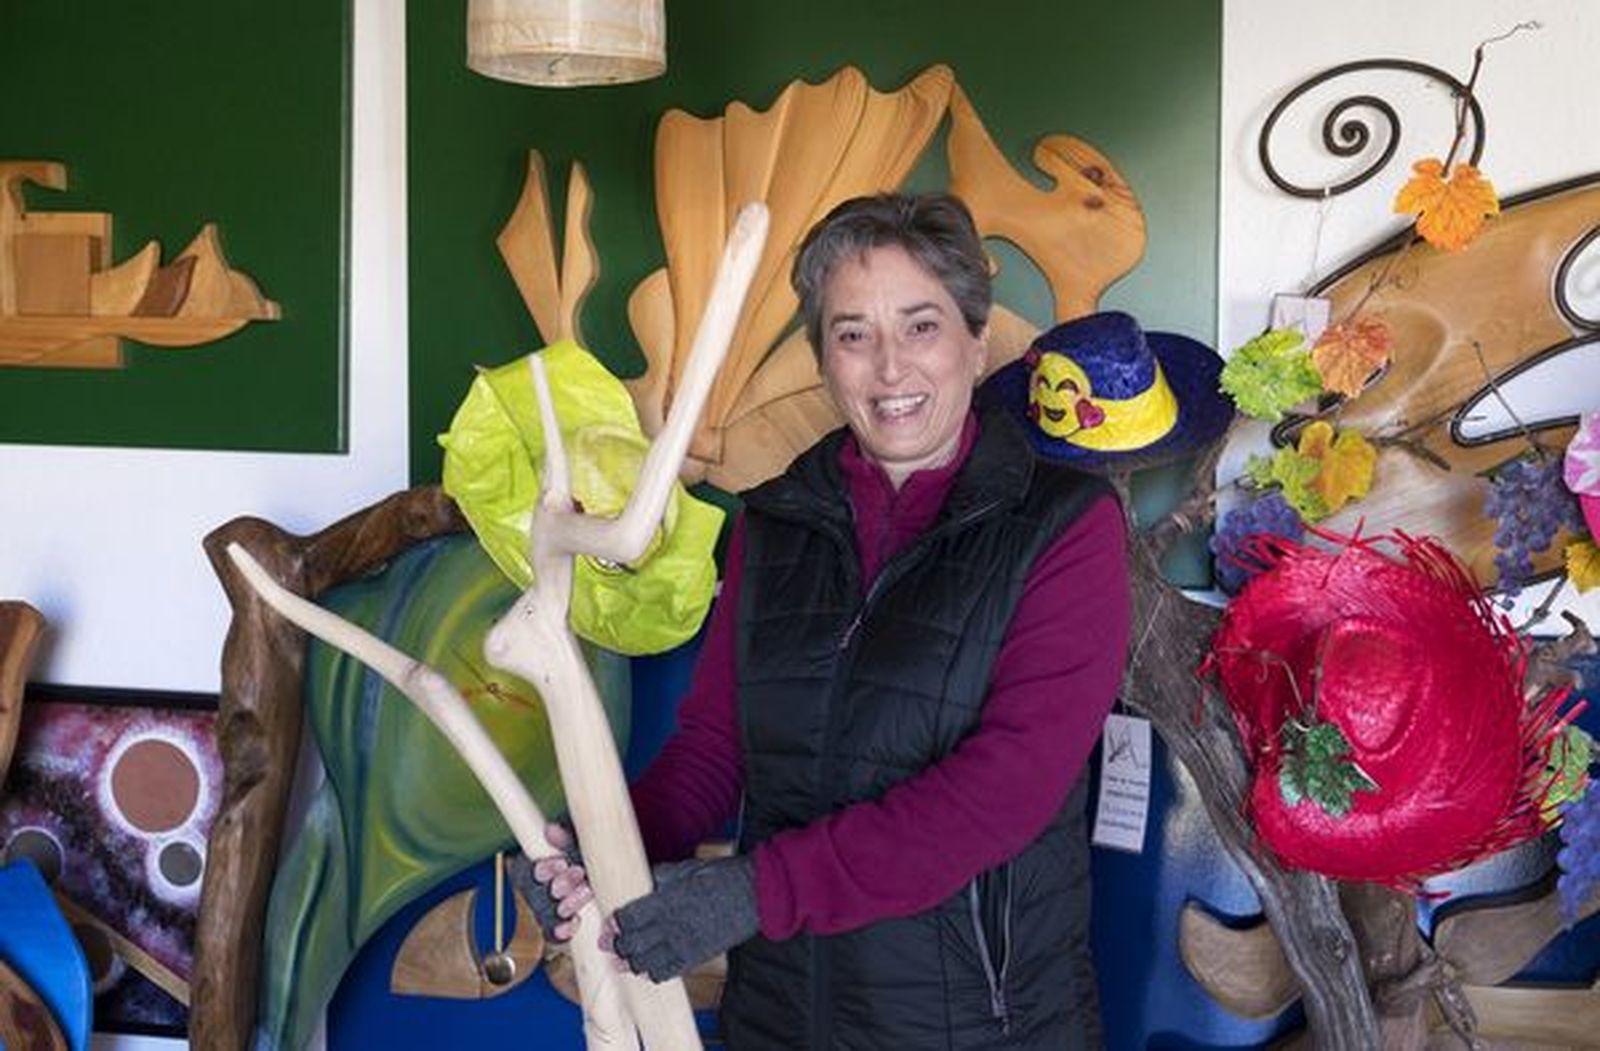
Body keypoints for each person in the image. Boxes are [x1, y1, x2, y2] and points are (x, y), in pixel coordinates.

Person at [518, 192, 1131, 1048]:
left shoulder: (1065, 527)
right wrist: (602, 849)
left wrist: (755, 891)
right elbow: (713, 750)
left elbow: (1002, 791)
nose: (889, 368)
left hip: (983, 1026)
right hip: (779, 1019)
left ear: (975, 341)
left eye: (921, 326)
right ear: (823, 357)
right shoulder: (774, 525)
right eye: (852, 333)